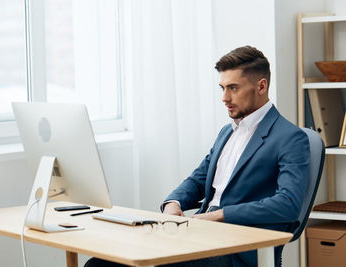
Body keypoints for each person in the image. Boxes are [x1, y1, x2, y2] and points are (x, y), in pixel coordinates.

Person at [85, 46, 310, 267]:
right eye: (222, 88)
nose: (224, 97)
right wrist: (173, 204)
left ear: (261, 86)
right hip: (199, 234)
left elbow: (287, 204)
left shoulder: (290, 138)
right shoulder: (227, 132)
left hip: (237, 248)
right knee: (100, 264)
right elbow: (198, 180)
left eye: (233, 88)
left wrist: (217, 216)